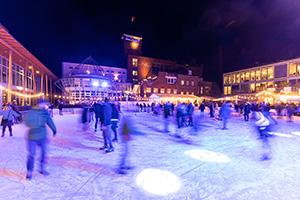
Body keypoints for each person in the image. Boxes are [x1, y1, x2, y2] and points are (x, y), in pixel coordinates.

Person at [24, 100, 57, 180]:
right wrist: (35, 126)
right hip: (32, 137)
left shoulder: (44, 112)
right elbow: (26, 121)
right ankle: (30, 171)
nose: (45, 106)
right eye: (43, 104)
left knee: (44, 152)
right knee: (32, 154)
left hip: (42, 136)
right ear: (39, 104)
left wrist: (54, 129)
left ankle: (41, 167)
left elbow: (50, 121)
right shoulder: (31, 112)